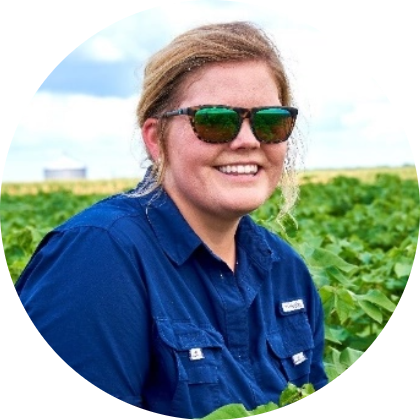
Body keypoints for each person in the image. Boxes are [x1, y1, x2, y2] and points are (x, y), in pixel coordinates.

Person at [15, 21, 328, 418]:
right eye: (215, 121)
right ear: (154, 138)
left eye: (270, 121)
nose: (248, 140)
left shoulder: (287, 270)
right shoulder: (98, 258)